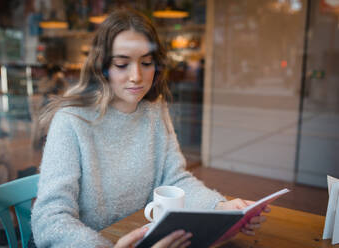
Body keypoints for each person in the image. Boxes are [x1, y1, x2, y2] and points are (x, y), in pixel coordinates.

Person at [31, 9, 270, 248]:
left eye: (146, 63)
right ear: (102, 67)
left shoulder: (154, 110)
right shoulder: (71, 121)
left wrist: (219, 208)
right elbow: (50, 218)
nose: (136, 76)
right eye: (122, 64)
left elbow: (175, 179)